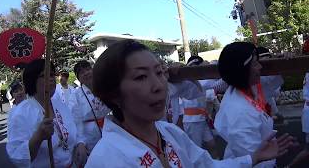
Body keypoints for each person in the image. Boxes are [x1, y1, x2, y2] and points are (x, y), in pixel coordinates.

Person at [85, 40, 293, 168]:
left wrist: (253, 158)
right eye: (141, 77)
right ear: (113, 94)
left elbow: (207, 166)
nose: (158, 85)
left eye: (159, 73)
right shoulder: (106, 159)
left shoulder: (170, 133)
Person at [214, 42, 295, 168]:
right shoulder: (239, 112)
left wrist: (283, 62)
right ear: (244, 70)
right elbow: (254, 159)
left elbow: (270, 81)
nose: (260, 67)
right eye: (256, 63)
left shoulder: (246, 89)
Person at [6, 59, 87, 167]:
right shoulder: (20, 113)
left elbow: (75, 128)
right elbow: (17, 156)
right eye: (44, 75)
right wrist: (38, 137)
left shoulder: (59, 104)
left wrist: (80, 143)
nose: (51, 79)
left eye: (52, 74)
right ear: (32, 80)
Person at [181, 55, 219, 158]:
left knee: (212, 145)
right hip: (192, 121)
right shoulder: (189, 83)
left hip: (201, 119)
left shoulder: (199, 81)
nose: (201, 70)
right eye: (199, 67)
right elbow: (211, 82)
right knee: (195, 152)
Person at [72, 60, 111, 152]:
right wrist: (80, 142)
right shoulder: (76, 95)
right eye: (81, 72)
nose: (86, 73)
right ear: (79, 78)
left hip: (109, 127)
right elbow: (76, 120)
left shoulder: (104, 87)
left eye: (88, 69)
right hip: (90, 136)